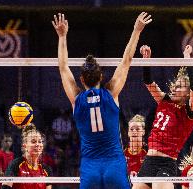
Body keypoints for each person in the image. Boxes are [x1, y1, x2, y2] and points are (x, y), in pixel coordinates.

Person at [52, 12, 152, 189]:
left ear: (81, 80)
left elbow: (63, 67)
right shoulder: (111, 92)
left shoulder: (77, 99)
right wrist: (137, 30)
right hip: (114, 163)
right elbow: (127, 60)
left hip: (90, 166)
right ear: (102, 76)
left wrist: (62, 36)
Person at [132, 45, 193, 189]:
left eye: (180, 87)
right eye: (175, 85)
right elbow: (148, 81)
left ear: (187, 93)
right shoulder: (163, 101)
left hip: (166, 164)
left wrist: (187, 58)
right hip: (148, 162)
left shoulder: (190, 112)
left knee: (160, 186)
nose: (174, 88)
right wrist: (146, 61)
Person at [1, 124, 52, 189]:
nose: (37, 144)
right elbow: (5, 187)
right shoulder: (16, 165)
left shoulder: (46, 169)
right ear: (25, 146)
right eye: (33, 142)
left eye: (40, 141)